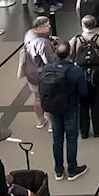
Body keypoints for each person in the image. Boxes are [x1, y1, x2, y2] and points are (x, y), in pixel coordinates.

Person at [40, 41, 88, 181]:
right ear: (70, 53)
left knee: (57, 139)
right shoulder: (75, 70)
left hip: (53, 108)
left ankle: (58, 170)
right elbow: (83, 92)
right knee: (71, 138)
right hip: (70, 107)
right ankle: (72, 169)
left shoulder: (48, 68)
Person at [70, 15, 99, 139]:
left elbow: (68, 54)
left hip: (80, 75)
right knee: (98, 101)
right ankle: (98, 128)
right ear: (95, 25)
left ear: (82, 25)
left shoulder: (76, 40)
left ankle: (83, 130)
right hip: (98, 75)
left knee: (81, 102)